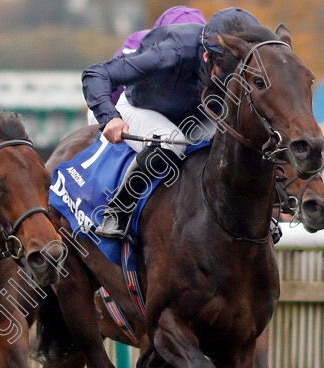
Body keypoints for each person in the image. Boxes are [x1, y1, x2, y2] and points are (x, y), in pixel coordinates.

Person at [82, 7, 261, 240]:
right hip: (141, 107)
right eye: (226, 68)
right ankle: (118, 210)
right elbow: (95, 74)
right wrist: (109, 117)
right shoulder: (171, 52)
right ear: (208, 56)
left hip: (194, 114)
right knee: (172, 142)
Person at [88, 6, 207, 125]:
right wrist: (110, 119)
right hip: (123, 104)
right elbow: (110, 85)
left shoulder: (209, 51)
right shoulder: (140, 47)